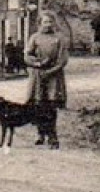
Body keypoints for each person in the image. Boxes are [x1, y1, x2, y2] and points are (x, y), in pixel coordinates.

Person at [24, 11, 69, 148]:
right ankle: (40, 133)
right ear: (39, 23)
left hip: (54, 76)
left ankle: (52, 136)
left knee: (51, 107)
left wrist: (50, 71)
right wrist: (37, 64)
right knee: (39, 105)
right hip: (38, 75)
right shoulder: (35, 38)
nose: (48, 25)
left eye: (50, 22)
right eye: (45, 22)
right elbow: (27, 55)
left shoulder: (59, 38)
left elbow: (63, 60)